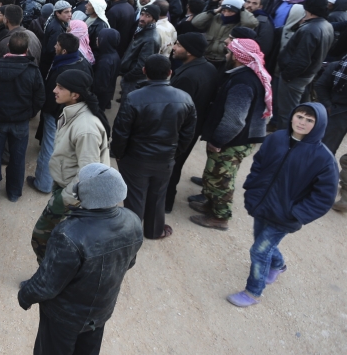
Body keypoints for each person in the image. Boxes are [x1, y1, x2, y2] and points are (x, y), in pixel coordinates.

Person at [18, 163, 143, 355]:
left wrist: (25, 296)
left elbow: (47, 284)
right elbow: (129, 262)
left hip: (63, 317)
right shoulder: (132, 221)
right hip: (100, 312)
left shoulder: (69, 234)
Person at [228, 103, 337, 307]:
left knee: (259, 251)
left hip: (285, 216)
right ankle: (278, 265)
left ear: (319, 124)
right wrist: (252, 188)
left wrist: (296, 213)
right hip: (261, 205)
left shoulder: (323, 159)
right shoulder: (276, 138)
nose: (302, 123)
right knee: (261, 241)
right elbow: (259, 163)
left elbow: (324, 197)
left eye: (309, 120)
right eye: (299, 116)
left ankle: (253, 292)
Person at [111, 55, 196, 239]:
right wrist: (175, 152)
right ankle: (154, 231)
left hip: (136, 158)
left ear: (144, 71)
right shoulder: (185, 98)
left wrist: (118, 153)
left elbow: (121, 130)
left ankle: (131, 235)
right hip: (165, 158)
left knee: (135, 197)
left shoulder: (134, 97)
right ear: (170, 73)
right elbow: (188, 133)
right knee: (158, 196)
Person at [30, 69, 111, 263]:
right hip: (66, 188)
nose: (54, 90)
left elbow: (89, 174)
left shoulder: (86, 128)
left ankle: (48, 281)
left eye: (61, 87)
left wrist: (64, 198)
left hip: (73, 195)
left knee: (43, 238)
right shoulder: (72, 112)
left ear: (76, 95)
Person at [189, 38, 269, 231]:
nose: (226, 54)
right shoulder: (244, 75)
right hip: (237, 138)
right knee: (213, 173)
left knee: (221, 179)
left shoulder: (242, 81)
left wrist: (218, 140)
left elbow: (235, 119)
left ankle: (220, 217)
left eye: (230, 52)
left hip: (233, 140)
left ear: (238, 57)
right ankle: (210, 205)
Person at [0, 31, 45, 203]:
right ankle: (14, 192)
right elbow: (39, 97)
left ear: (8, 46)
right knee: (18, 157)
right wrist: (29, 113)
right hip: (20, 122)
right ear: (27, 49)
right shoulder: (33, 70)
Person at [28, 33, 92, 195]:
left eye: (57, 45)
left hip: (57, 113)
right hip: (74, 112)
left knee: (49, 147)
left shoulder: (62, 69)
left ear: (64, 51)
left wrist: (45, 109)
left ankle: (43, 183)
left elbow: (52, 94)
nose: (54, 47)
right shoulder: (82, 62)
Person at [165, 34, 221, 213]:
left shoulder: (188, 77)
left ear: (190, 52)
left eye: (179, 45)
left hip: (180, 130)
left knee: (170, 166)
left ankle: (165, 203)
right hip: (192, 128)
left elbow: (178, 110)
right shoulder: (208, 67)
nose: (174, 47)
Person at [271, 0, 333, 130]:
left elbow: (301, 59)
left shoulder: (310, 29)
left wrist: (287, 75)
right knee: (298, 109)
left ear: (308, 9)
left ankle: (284, 141)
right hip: (306, 75)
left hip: (295, 78)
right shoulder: (326, 25)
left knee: (287, 112)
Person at [192, 0, 258, 71]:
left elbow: (251, 23)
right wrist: (213, 12)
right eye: (224, 10)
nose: (226, 14)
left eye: (230, 11)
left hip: (224, 61)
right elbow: (196, 22)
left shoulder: (240, 23)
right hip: (206, 57)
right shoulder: (215, 18)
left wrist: (242, 9)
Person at [119, 5, 160, 99]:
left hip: (135, 81)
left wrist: (127, 77)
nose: (142, 18)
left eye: (147, 16)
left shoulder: (150, 39)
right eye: (142, 14)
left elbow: (142, 67)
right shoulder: (142, 31)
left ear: (154, 19)